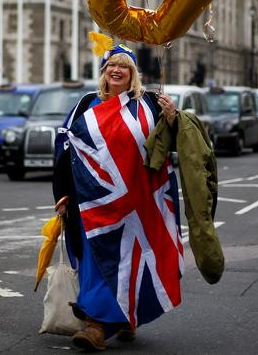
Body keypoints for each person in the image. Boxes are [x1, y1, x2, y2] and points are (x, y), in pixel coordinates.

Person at [52, 42, 180, 351]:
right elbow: (67, 149)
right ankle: (96, 326)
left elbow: (170, 145)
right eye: (112, 64)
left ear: (133, 73)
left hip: (137, 203)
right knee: (97, 260)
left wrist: (173, 117)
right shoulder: (86, 104)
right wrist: (63, 193)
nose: (116, 70)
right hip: (92, 201)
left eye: (124, 65)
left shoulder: (148, 104)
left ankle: (124, 317)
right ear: (104, 70)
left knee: (132, 261)